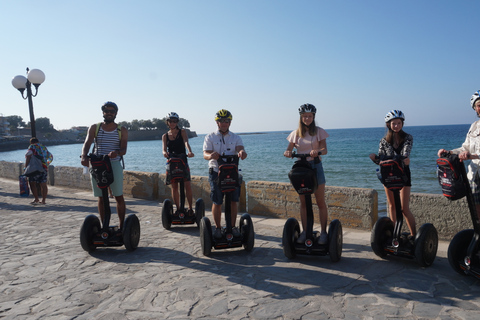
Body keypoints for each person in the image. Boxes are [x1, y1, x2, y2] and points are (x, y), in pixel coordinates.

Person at [284, 103, 330, 244]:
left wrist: (318, 152)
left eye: (310, 116)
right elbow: (288, 149)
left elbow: (325, 149)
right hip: (301, 168)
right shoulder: (295, 133)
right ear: (301, 117)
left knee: (320, 201)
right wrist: (288, 153)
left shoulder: (319, 131)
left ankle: (323, 232)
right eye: (305, 116)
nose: (307, 119)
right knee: (303, 202)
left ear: (313, 117)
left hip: (315, 166)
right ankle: (305, 231)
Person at [80, 101, 128, 231]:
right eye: (107, 111)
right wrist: (84, 156)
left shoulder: (121, 130)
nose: (109, 113)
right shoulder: (95, 128)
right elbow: (87, 142)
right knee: (101, 196)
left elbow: (124, 149)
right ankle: (104, 226)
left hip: (114, 163)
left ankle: (122, 225)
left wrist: (116, 152)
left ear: (116, 113)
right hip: (97, 164)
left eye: (112, 111)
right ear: (103, 112)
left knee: (118, 195)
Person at [369, 110, 416, 239]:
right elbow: (381, 160)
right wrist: (374, 158)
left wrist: (405, 160)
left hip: (403, 175)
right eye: (393, 123)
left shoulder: (408, 138)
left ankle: (414, 237)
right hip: (388, 174)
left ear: (402, 123)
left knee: (404, 208)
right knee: (392, 206)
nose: (396, 126)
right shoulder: (384, 141)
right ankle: (394, 235)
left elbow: (405, 155)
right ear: (388, 124)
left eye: (399, 123)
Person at [203, 109, 247, 239]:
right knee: (217, 201)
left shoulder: (236, 137)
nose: (224, 123)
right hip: (216, 172)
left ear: (230, 122)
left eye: (226, 121)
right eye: (221, 121)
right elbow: (205, 154)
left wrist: (242, 153)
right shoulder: (210, 137)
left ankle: (233, 227)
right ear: (217, 122)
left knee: (234, 200)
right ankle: (217, 228)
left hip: (232, 172)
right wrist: (210, 155)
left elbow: (240, 149)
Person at [438, 90, 480, 220]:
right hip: (474, 173)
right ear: (475, 109)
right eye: (478, 105)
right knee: (476, 206)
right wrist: (449, 152)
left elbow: (470, 153)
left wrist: (471, 156)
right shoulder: (474, 126)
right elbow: (465, 147)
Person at [162, 112, 195, 214]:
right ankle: (178, 208)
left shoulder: (182, 132)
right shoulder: (165, 136)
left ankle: (190, 208)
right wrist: (164, 153)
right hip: (172, 161)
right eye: (170, 121)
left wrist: (189, 151)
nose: (172, 123)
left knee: (187, 185)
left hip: (182, 160)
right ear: (167, 122)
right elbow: (163, 149)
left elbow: (186, 142)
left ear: (177, 122)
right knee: (174, 186)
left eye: (174, 121)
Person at [24, 137, 53, 205]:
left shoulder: (32, 147)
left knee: (32, 183)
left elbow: (28, 157)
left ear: (31, 142)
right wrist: (46, 164)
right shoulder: (43, 147)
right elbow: (50, 156)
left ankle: (36, 199)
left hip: (35, 169)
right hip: (44, 168)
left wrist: (25, 168)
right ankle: (43, 200)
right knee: (43, 185)